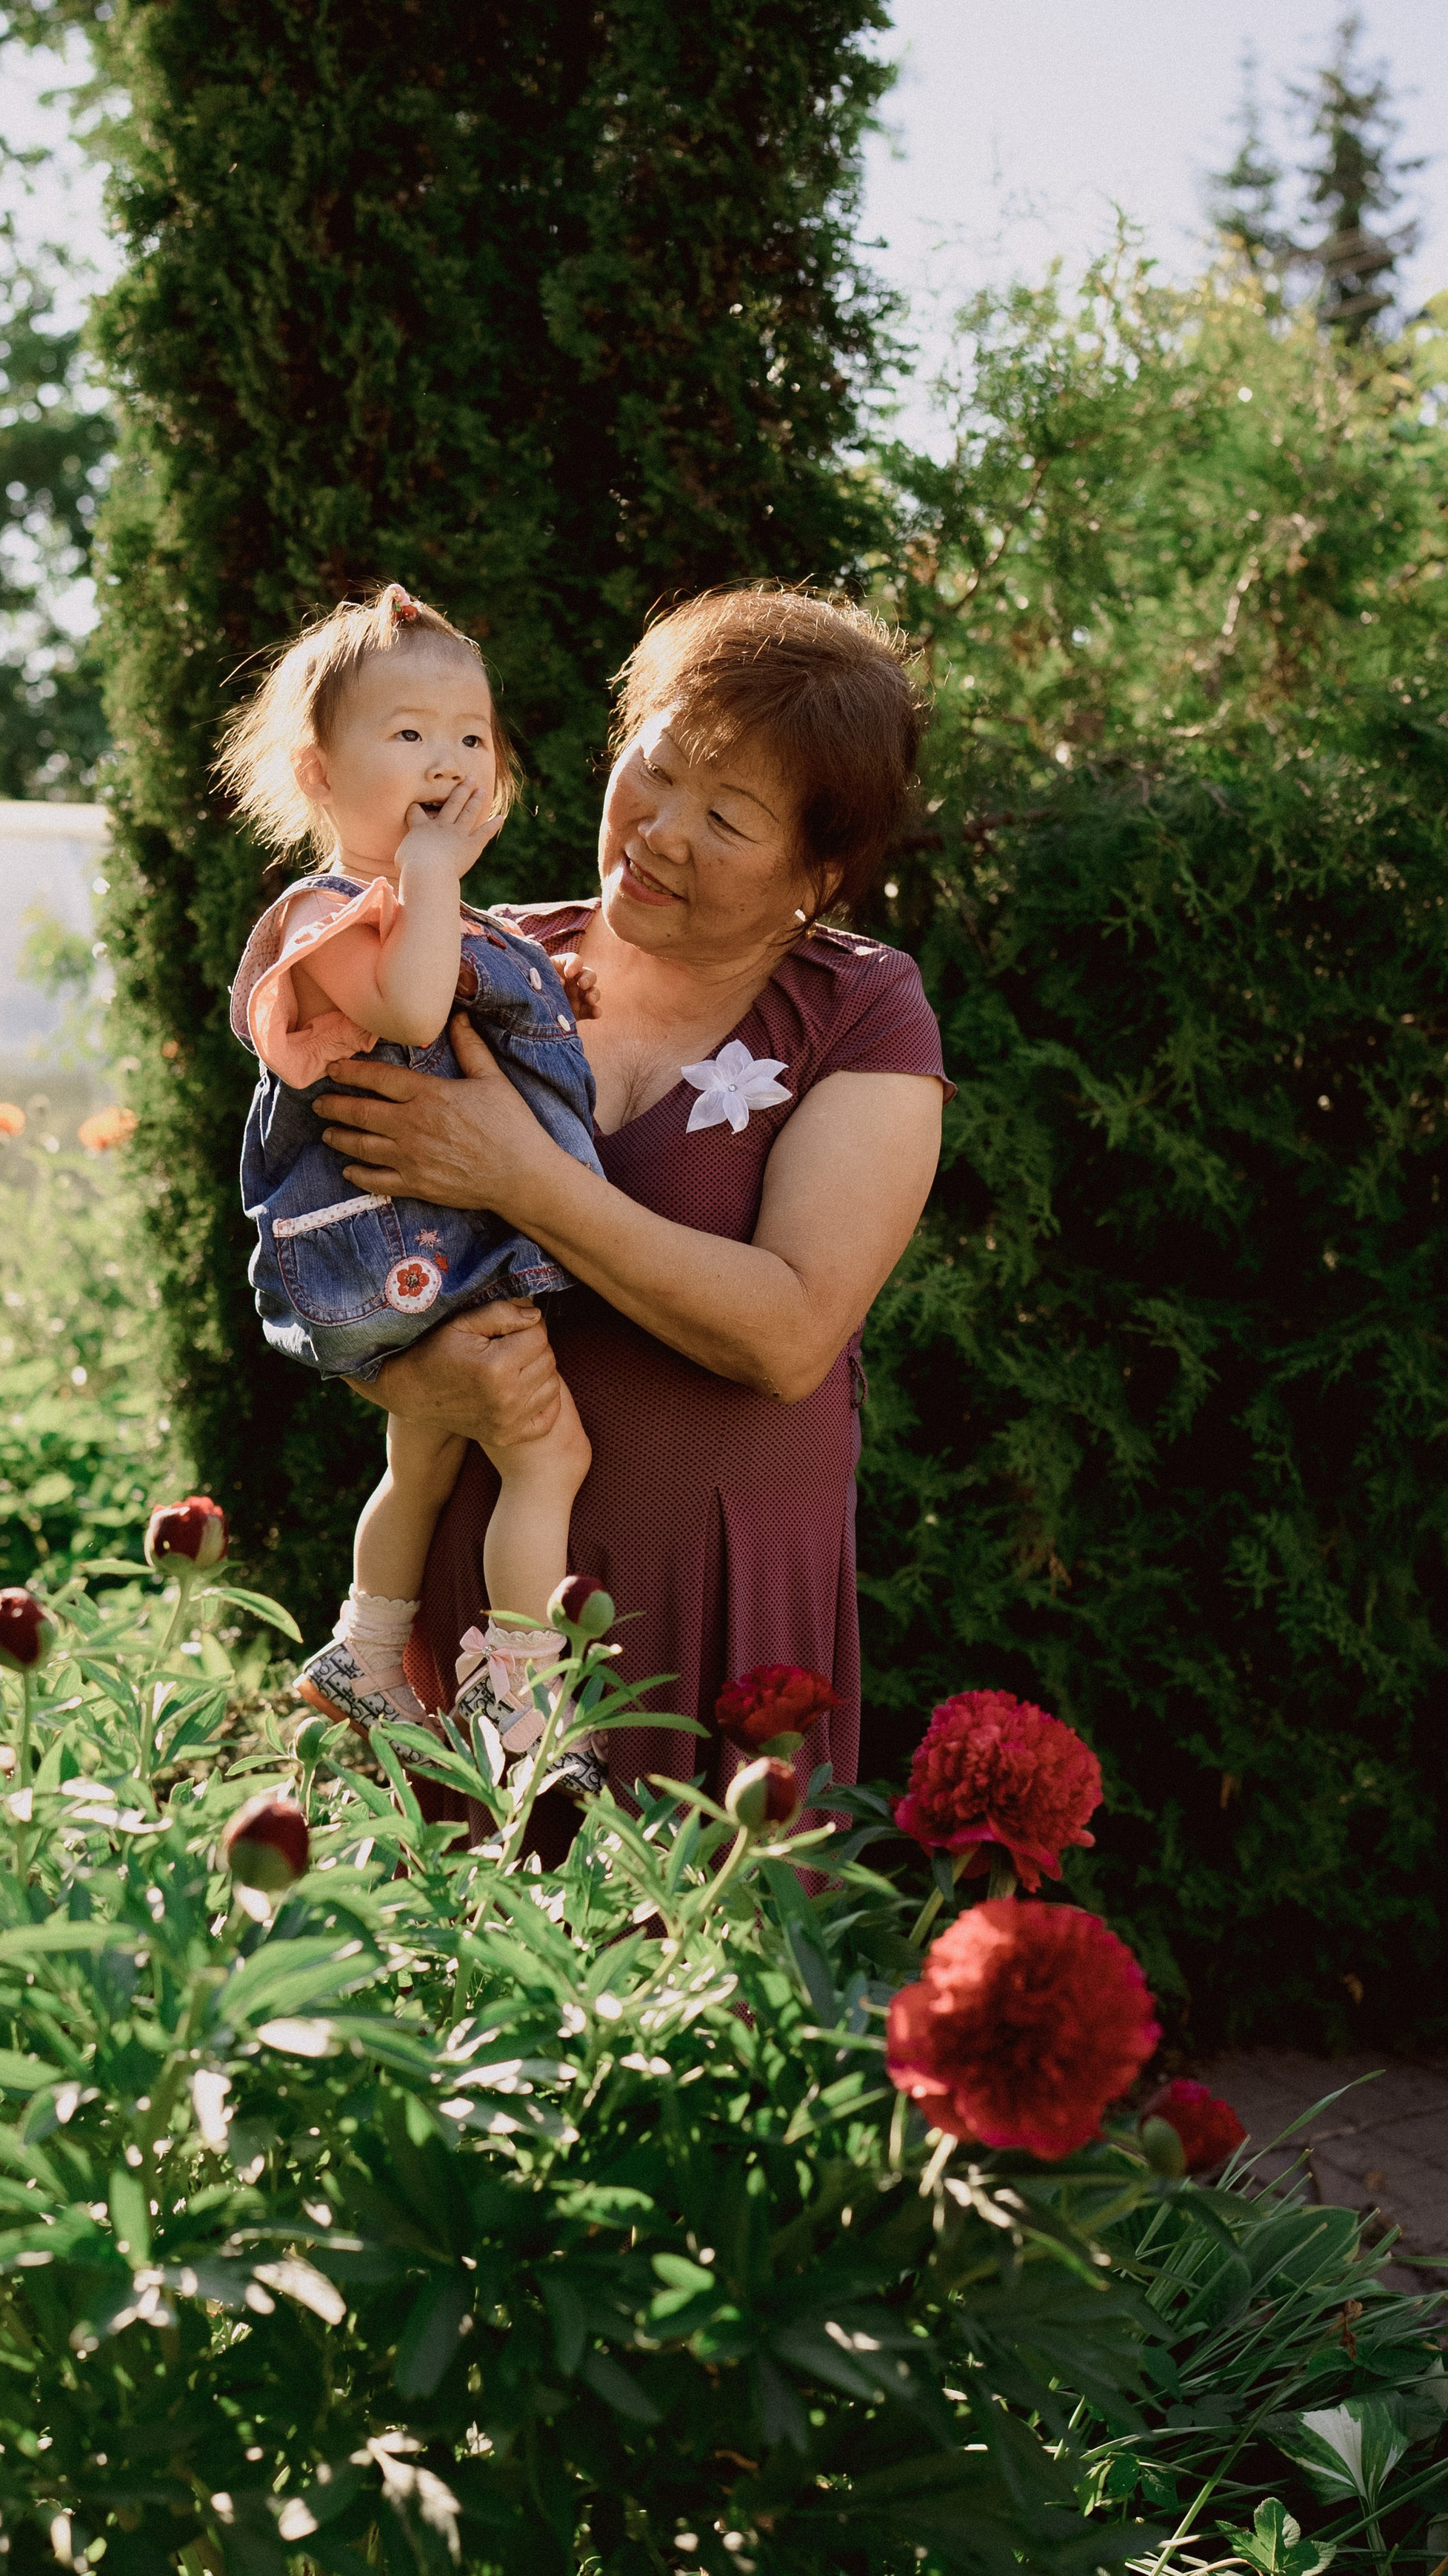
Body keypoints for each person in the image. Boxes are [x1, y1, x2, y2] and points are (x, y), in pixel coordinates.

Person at [307, 585, 952, 1820]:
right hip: (484, 1596)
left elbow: (789, 1332)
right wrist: (404, 1378)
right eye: (653, 773)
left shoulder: (860, 1012)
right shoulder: (470, 960)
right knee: (470, 1978)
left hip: (720, 1603)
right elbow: (342, 1253)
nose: (660, 831)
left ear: (818, 870)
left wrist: (521, 1176)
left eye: (728, 816)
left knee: (692, 1971)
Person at [219, 584, 607, 1785]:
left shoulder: (447, 912)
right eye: (407, 734)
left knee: (424, 1461)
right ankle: (526, 1712)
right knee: (553, 1455)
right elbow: (412, 1005)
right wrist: (435, 871)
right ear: (318, 772)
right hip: (404, 1251)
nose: (447, 759)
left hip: (435, 1243)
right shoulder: (326, 915)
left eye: (471, 736)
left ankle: (365, 1649)